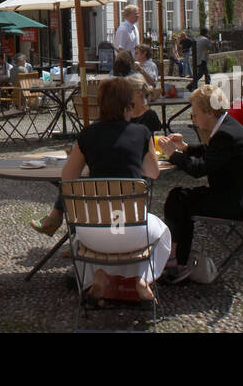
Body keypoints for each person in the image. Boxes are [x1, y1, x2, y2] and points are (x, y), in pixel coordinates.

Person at [29, 78, 167, 304]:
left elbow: (67, 178)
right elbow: (153, 172)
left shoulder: (87, 135)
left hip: (93, 233)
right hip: (131, 230)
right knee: (163, 232)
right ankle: (143, 279)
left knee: (97, 237)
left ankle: (99, 276)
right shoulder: (142, 133)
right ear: (127, 106)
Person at [161, 85, 243, 285]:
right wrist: (186, 148)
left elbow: (199, 170)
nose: (193, 119)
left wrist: (173, 155)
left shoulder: (225, 135)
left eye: (195, 114)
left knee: (179, 198)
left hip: (238, 204)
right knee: (181, 197)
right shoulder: (228, 126)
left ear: (209, 113)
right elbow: (212, 153)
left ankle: (176, 261)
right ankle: (178, 257)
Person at [191, 25, 212, 91]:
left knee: (200, 74)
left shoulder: (198, 39)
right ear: (206, 33)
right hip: (202, 59)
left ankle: (191, 85)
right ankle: (208, 87)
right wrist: (209, 39)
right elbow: (208, 49)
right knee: (207, 74)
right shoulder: (205, 40)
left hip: (198, 59)